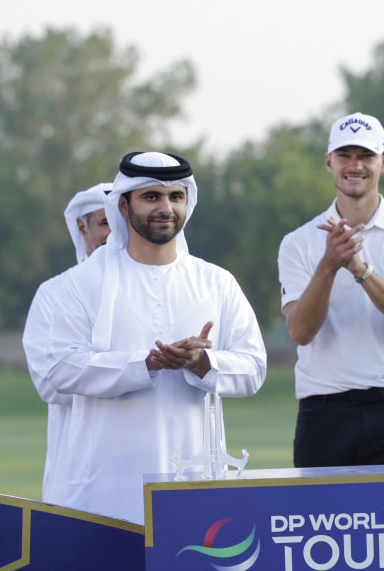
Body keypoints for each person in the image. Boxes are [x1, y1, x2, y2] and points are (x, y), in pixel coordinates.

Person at [46, 152, 267, 524]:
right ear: (123, 204)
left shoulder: (216, 282)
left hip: (193, 487)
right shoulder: (82, 283)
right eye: (151, 197)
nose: (165, 207)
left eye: (175, 197)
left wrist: (202, 363)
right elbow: (60, 369)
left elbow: (254, 368)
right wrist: (144, 364)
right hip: (106, 491)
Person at [278, 112, 384, 468]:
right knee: (322, 523)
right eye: (345, 156)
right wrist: (328, 265)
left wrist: (359, 269)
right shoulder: (298, 243)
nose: (355, 166)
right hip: (324, 412)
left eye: (365, 156)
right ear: (329, 162)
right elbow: (301, 332)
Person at [21, 182, 112, 506]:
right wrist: (134, 369)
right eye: (104, 223)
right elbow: (51, 383)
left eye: (122, 223)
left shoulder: (153, 292)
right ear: (81, 227)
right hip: (77, 467)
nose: (114, 235)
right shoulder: (53, 294)